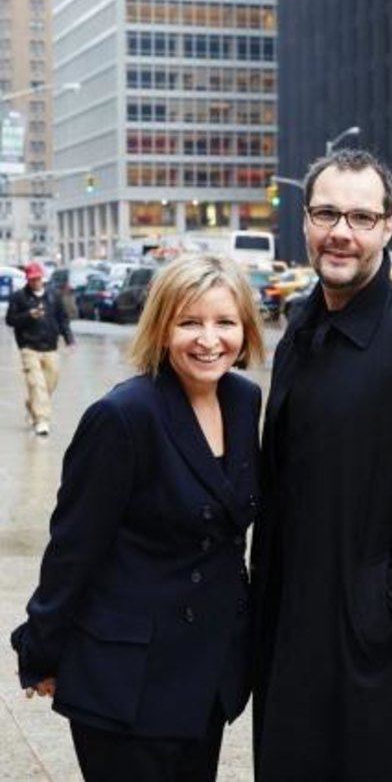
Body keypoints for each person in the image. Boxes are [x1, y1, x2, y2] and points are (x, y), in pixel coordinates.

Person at [251, 149, 392, 782]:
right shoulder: (302, 325)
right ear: (305, 221)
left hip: (383, 660)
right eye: (326, 213)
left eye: (360, 215)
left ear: (387, 227)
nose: (340, 232)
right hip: (297, 639)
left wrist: (376, 616)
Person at [11, 254, 265, 782]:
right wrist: (42, 650)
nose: (209, 339)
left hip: (207, 671)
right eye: (189, 321)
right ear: (161, 327)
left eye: (225, 322)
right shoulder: (124, 415)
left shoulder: (244, 400)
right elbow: (74, 548)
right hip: (128, 678)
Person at [5, 261, 74, 435]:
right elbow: (10, 320)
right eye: (32, 279)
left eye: (38, 279)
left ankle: (31, 405)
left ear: (42, 278)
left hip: (51, 348)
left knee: (50, 383)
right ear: (27, 280)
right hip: (29, 348)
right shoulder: (18, 297)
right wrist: (29, 315)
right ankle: (42, 420)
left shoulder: (54, 296)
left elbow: (63, 319)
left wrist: (69, 339)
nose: (35, 282)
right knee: (37, 384)